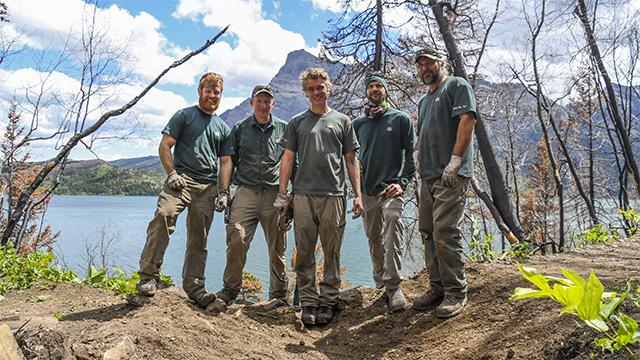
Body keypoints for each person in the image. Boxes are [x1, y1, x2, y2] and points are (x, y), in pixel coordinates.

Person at [135, 72, 233, 309]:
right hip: (181, 181)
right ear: (200, 91)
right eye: (208, 90)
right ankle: (148, 277)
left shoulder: (222, 127)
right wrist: (172, 174)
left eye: (216, 91)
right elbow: (165, 145)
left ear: (221, 95)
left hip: (208, 188)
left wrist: (223, 191)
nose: (212, 95)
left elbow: (226, 162)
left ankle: (195, 288)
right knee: (164, 216)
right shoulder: (184, 116)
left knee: (199, 239)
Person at [274, 67, 363, 326]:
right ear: (306, 92)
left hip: (334, 194)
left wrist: (357, 195)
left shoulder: (343, 121)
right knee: (304, 252)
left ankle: (329, 301)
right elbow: (287, 159)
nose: (316, 92)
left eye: (320, 87)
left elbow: (351, 159)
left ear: (328, 88)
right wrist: (283, 195)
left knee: (332, 250)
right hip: (302, 195)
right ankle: (309, 302)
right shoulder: (297, 122)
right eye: (311, 89)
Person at [412, 47, 477, 318]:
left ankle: (455, 291)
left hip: (450, 175)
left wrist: (455, 160)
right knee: (428, 231)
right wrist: (416, 155)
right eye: (420, 65)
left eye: (429, 63)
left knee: (444, 231)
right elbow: (423, 134)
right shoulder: (424, 100)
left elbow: (467, 120)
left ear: (440, 63)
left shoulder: (455, 86)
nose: (425, 68)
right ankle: (437, 287)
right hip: (428, 177)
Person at [216, 84, 290, 305]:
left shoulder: (284, 129)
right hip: (245, 192)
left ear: (273, 103)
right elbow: (228, 161)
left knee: (277, 247)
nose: (263, 105)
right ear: (252, 103)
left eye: (267, 101)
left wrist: (289, 195)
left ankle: (278, 296)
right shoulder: (240, 128)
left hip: (274, 195)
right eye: (259, 101)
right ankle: (230, 290)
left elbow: (291, 163)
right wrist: (224, 191)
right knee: (236, 238)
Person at [352, 72, 416, 312]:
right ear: (367, 92)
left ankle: (393, 285)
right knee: (373, 237)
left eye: (379, 86)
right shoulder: (358, 123)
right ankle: (380, 281)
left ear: (385, 90)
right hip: (367, 190)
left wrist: (403, 182)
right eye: (371, 87)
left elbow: (411, 154)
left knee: (393, 224)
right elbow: (352, 156)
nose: (375, 90)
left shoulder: (400, 119)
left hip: (391, 189)